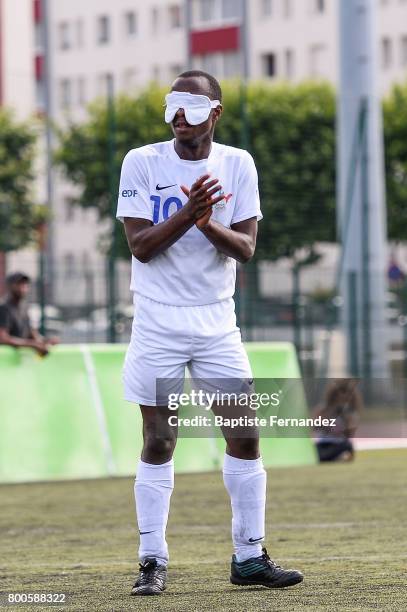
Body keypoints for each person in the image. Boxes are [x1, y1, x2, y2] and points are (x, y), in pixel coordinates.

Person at [117, 70, 303, 596]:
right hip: (158, 322)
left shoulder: (238, 164)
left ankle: (249, 557)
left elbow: (244, 248)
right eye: (173, 105)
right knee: (160, 439)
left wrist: (205, 223)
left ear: (215, 112)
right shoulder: (142, 161)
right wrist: (188, 212)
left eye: (192, 105)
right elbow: (142, 246)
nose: (180, 114)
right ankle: (152, 560)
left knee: (244, 434)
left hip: (217, 323)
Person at [0, 272, 58, 357]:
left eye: (25, 284)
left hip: (19, 362)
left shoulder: (24, 307)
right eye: (19, 284)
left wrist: (45, 341)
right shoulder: (4, 308)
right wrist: (32, 344)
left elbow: (30, 333)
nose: (23, 287)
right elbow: (3, 339)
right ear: (10, 286)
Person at [313, 379, 362, 462]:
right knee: (317, 452)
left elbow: (349, 434)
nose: (344, 397)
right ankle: (330, 458)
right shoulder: (323, 410)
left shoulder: (349, 413)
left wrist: (348, 424)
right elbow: (315, 427)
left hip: (338, 444)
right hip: (323, 444)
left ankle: (335, 457)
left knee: (347, 446)